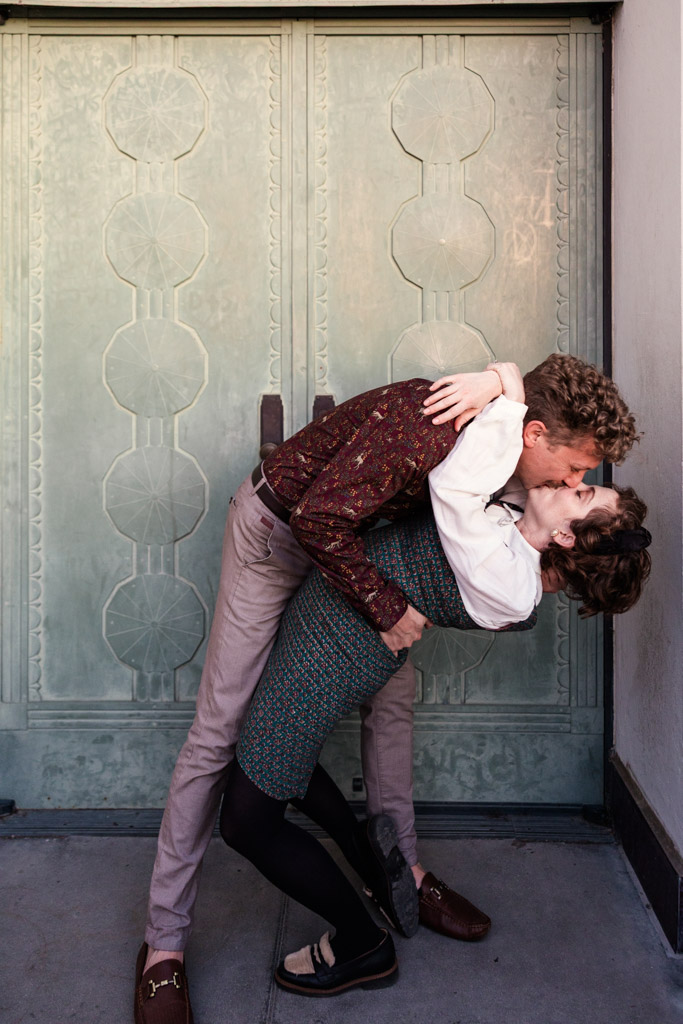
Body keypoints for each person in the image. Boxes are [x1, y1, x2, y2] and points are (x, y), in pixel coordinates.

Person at [134, 355, 639, 1023]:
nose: (574, 479)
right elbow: (316, 520)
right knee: (218, 732)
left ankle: (400, 874)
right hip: (280, 535)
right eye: (574, 469)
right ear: (534, 433)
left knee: (391, 712)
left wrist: (500, 376)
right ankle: (162, 949)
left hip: (356, 562)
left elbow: (538, 440)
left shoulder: (509, 451)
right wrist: (386, 606)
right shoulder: (430, 427)